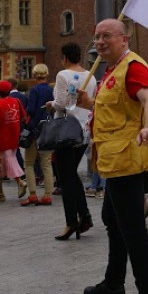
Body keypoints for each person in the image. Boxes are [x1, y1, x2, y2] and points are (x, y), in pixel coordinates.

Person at [82, 19, 148, 294]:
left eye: (106, 35)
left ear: (124, 39)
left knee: (132, 228)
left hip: (127, 158)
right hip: (112, 159)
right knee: (111, 218)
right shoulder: (111, 69)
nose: (100, 41)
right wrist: (89, 103)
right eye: (96, 36)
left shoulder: (134, 66)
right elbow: (117, 108)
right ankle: (114, 285)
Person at [51, 42, 98, 240]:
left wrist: (51, 104)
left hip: (65, 130)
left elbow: (63, 104)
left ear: (65, 58)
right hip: (83, 129)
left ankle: (72, 221)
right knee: (71, 174)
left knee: (65, 176)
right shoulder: (91, 76)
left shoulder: (63, 75)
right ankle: (84, 216)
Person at [0, 80, 28, 203]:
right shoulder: (16, 101)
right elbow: (23, 117)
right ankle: (0, 193)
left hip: (2, 139)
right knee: (0, 165)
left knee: (4, 162)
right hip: (14, 136)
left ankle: (20, 182)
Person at [22, 64, 55, 207]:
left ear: (35, 75)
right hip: (48, 129)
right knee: (46, 163)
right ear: (47, 74)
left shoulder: (34, 90)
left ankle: (33, 194)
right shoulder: (50, 90)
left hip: (35, 129)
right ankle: (48, 195)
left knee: (29, 162)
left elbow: (30, 110)